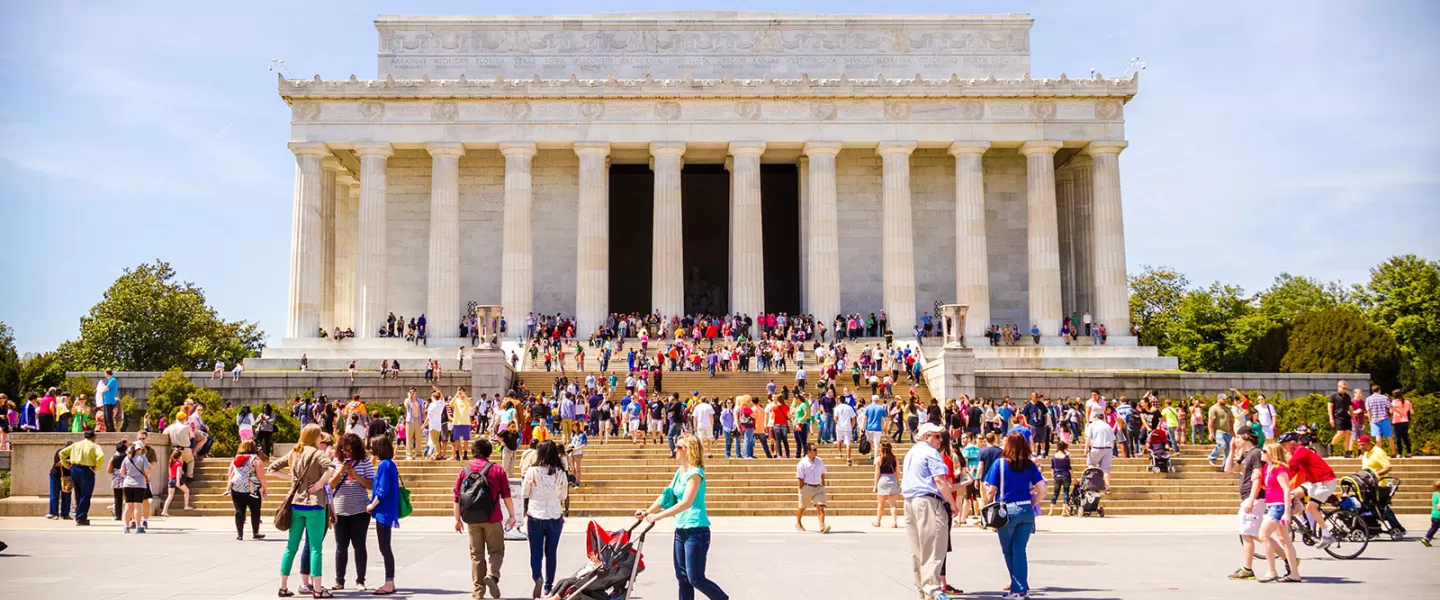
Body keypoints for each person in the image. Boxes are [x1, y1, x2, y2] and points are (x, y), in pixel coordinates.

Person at [635, 433, 728, 600]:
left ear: (689, 450)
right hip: (681, 531)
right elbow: (666, 496)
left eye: (679, 447)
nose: (675, 449)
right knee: (683, 579)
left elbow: (686, 502)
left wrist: (659, 516)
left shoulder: (695, 473)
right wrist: (648, 511)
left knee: (696, 578)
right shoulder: (680, 472)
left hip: (696, 531)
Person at [270, 424, 338, 598]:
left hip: (295, 504)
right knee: (315, 548)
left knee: (291, 547)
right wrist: (320, 483)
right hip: (314, 504)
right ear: (315, 437)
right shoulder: (318, 453)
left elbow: (272, 469)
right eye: (319, 435)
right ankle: (317, 589)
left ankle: (283, 586)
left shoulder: (295, 452)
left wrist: (293, 479)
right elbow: (331, 468)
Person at [983, 432, 1047, 600]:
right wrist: (1032, 502)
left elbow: (991, 491)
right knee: (1020, 550)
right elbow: (1042, 489)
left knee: (1008, 551)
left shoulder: (999, 464)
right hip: (1026, 510)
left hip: (1006, 510)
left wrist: (986, 504)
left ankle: (1018, 588)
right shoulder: (1029, 465)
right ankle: (1021, 587)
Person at [454, 438, 517, 600]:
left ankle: (478, 592)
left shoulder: (464, 471)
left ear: (473, 452)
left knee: (476, 556)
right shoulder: (497, 470)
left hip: (472, 519)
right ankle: (492, 574)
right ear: (489, 452)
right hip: (493, 518)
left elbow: (457, 497)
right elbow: (506, 495)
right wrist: (512, 516)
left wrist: (457, 520)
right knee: (496, 551)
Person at [903, 423, 958, 600]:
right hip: (928, 502)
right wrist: (952, 503)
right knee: (934, 546)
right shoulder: (930, 452)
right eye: (937, 436)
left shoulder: (911, 452)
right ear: (927, 437)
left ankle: (922, 589)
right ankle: (932, 588)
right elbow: (940, 481)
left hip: (910, 501)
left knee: (917, 549)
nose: (941, 440)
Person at [521, 440, 568, 597]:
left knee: (536, 552)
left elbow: (524, 493)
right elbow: (563, 495)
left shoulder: (532, 471)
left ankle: (538, 577)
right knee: (551, 552)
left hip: (536, 514)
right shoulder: (560, 472)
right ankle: (548, 586)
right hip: (554, 515)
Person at [329, 433, 376, 591]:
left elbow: (371, 485)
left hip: (360, 511)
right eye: (344, 450)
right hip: (340, 510)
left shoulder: (365, 462)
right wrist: (341, 471)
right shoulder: (337, 461)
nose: (347, 453)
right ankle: (339, 580)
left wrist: (355, 475)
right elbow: (331, 485)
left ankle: (360, 580)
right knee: (341, 546)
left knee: (359, 546)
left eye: (350, 450)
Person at [1277, 432, 1337, 550]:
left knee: (1311, 507)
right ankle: (1304, 522)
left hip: (1325, 482)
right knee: (1292, 494)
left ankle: (1327, 534)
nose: (1283, 448)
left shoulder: (1300, 452)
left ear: (1292, 443)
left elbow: (1290, 467)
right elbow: (1292, 472)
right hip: (1314, 482)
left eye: (1284, 445)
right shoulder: (1297, 452)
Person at [1258, 442, 1301, 583]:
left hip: (1279, 506)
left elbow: (1286, 490)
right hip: (1272, 505)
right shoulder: (1267, 468)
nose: (1261, 453)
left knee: (1263, 535)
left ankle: (1272, 571)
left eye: (1264, 451)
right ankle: (1294, 573)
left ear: (1272, 453)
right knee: (1284, 540)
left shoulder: (1280, 469)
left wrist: (1287, 512)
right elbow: (1270, 487)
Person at [1227, 432, 1266, 580]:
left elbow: (1258, 478)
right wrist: (1232, 450)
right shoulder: (1246, 454)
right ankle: (1288, 558)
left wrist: (1251, 499)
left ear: (1246, 437)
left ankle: (1247, 569)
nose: (1236, 440)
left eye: (1238, 437)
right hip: (1247, 497)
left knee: (1247, 534)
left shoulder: (1255, 453)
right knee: (1254, 534)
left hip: (1253, 498)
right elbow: (1229, 470)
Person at [366, 435, 401, 595]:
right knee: (385, 547)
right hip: (386, 510)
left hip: (384, 511)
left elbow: (382, 489)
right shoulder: (389, 464)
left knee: (385, 547)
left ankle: (389, 582)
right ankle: (390, 581)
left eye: (373, 446)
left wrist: (372, 505)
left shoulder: (384, 465)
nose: (371, 449)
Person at [227, 440, 267, 540]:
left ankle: (240, 534)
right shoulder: (255, 459)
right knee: (255, 510)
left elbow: (230, 473)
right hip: (252, 487)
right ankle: (255, 532)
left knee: (239, 510)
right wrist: (265, 488)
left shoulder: (236, 458)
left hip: (236, 486)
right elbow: (260, 476)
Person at [65, 428, 105, 526]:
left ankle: (79, 514)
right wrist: (97, 467)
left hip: (75, 469)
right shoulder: (95, 446)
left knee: (78, 494)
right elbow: (101, 456)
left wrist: (66, 464)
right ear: (93, 437)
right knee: (86, 494)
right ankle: (81, 517)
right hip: (87, 470)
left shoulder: (75, 445)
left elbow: (61, 453)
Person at [795, 445, 831, 533]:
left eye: (816, 449)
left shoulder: (819, 461)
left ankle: (822, 526)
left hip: (818, 487)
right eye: (814, 449)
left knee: (820, 506)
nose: (816, 451)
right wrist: (801, 489)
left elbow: (822, 473)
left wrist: (823, 482)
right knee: (802, 507)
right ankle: (798, 523)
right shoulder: (802, 463)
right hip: (807, 487)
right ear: (808, 451)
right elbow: (800, 477)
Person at [120, 439, 152, 533]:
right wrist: (147, 477)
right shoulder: (143, 458)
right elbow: (147, 471)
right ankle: (138, 526)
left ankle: (126, 526)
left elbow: (122, 472)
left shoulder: (127, 458)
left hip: (127, 484)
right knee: (138, 506)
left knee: (128, 505)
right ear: (141, 449)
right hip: (140, 484)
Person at [1083, 412, 1115, 490]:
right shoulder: (1107, 426)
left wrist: (1086, 448)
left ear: (1096, 417)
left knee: (1091, 465)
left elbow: (1088, 438)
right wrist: (1111, 449)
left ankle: (1092, 484)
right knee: (1106, 470)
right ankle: (1107, 487)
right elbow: (1113, 439)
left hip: (1097, 447)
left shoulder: (1092, 425)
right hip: (1108, 448)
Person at [874, 440, 902, 528]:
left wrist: (875, 485)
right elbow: (898, 472)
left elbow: (877, 473)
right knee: (893, 504)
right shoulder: (895, 459)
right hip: (892, 480)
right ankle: (894, 522)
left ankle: (878, 522)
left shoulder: (879, 459)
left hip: (882, 480)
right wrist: (898, 481)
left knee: (881, 504)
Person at [1364, 385, 1395, 456]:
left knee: (1378, 438)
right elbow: (1390, 408)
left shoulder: (1368, 399)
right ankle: (1393, 452)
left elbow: (1369, 411)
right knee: (1389, 437)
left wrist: (1370, 421)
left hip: (1374, 420)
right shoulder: (1384, 398)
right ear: (1379, 390)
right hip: (1384, 419)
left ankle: (1380, 454)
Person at [161, 447, 193, 515]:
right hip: (176, 479)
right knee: (187, 491)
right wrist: (178, 482)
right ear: (179, 456)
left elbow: (170, 472)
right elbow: (178, 472)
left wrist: (170, 480)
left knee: (170, 496)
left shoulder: (171, 462)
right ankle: (186, 506)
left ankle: (164, 511)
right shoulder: (178, 463)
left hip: (171, 480)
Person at [1206, 394, 1234, 469]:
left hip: (1228, 432)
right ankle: (1212, 457)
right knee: (1222, 444)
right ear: (1219, 399)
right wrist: (1211, 433)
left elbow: (1231, 421)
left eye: (1226, 399)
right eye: (1223, 399)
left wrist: (1233, 432)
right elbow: (1210, 422)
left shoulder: (1228, 408)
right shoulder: (1214, 408)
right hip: (1218, 431)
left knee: (1228, 450)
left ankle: (1225, 467)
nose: (1225, 400)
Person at [1328, 380, 1354, 458]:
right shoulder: (1334, 396)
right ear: (1339, 387)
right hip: (1337, 416)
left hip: (1346, 416)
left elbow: (1350, 407)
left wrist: (1353, 416)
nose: (1344, 389)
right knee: (1340, 433)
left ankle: (1347, 451)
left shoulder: (1347, 396)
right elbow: (1330, 407)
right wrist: (1331, 418)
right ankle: (1331, 445)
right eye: (1343, 388)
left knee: (1348, 433)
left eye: (1346, 388)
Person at [1047, 441, 1072, 516]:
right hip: (1065, 475)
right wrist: (1075, 478)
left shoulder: (1054, 456)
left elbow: (1052, 468)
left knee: (1055, 493)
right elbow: (1069, 469)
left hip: (1057, 476)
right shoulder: (1066, 457)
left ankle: (1051, 511)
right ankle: (1064, 511)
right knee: (1066, 493)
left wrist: (1053, 476)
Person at [1392, 391, 1414, 458]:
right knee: (1405, 437)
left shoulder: (1394, 402)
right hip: (1405, 421)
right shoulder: (1407, 402)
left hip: (1397, 421)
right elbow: (1412, 412)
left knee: (1398, 437)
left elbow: (1391, 411)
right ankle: (1409, 452)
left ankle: (1400, 453)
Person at [1421, 480, 1439, 548]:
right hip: (1439, 515)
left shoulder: (1434, 494)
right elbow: (1439, 506)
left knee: (1434, 527)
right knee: (1435, 527)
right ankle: (1427, 538)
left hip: (1434, 515)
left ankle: (1427, 538)